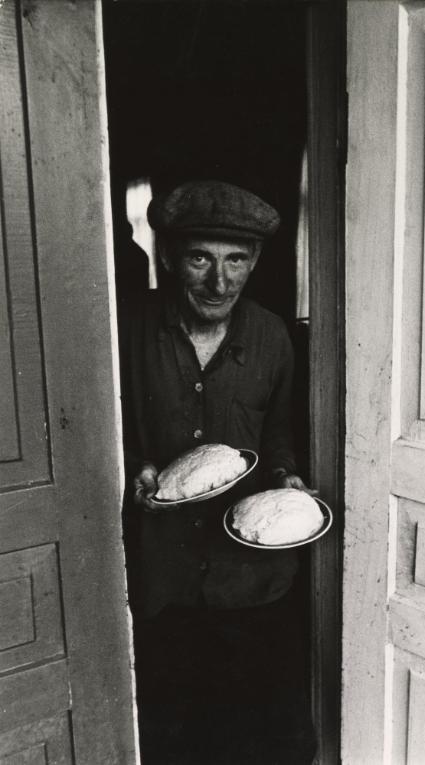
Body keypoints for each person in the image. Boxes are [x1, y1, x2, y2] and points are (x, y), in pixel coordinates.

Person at [120, 180, 316, 765]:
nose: (219, 281)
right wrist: (137, 467)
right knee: (173, 732)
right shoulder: (128, 330)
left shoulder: (272, 335)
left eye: (236, 260)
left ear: (254, 262)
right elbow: (103, 424)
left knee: (262, 734)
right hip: (167, 575)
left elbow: (279, 428)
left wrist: (285, 476)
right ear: (170, 258)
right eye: (200, 258)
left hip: (253, 578)